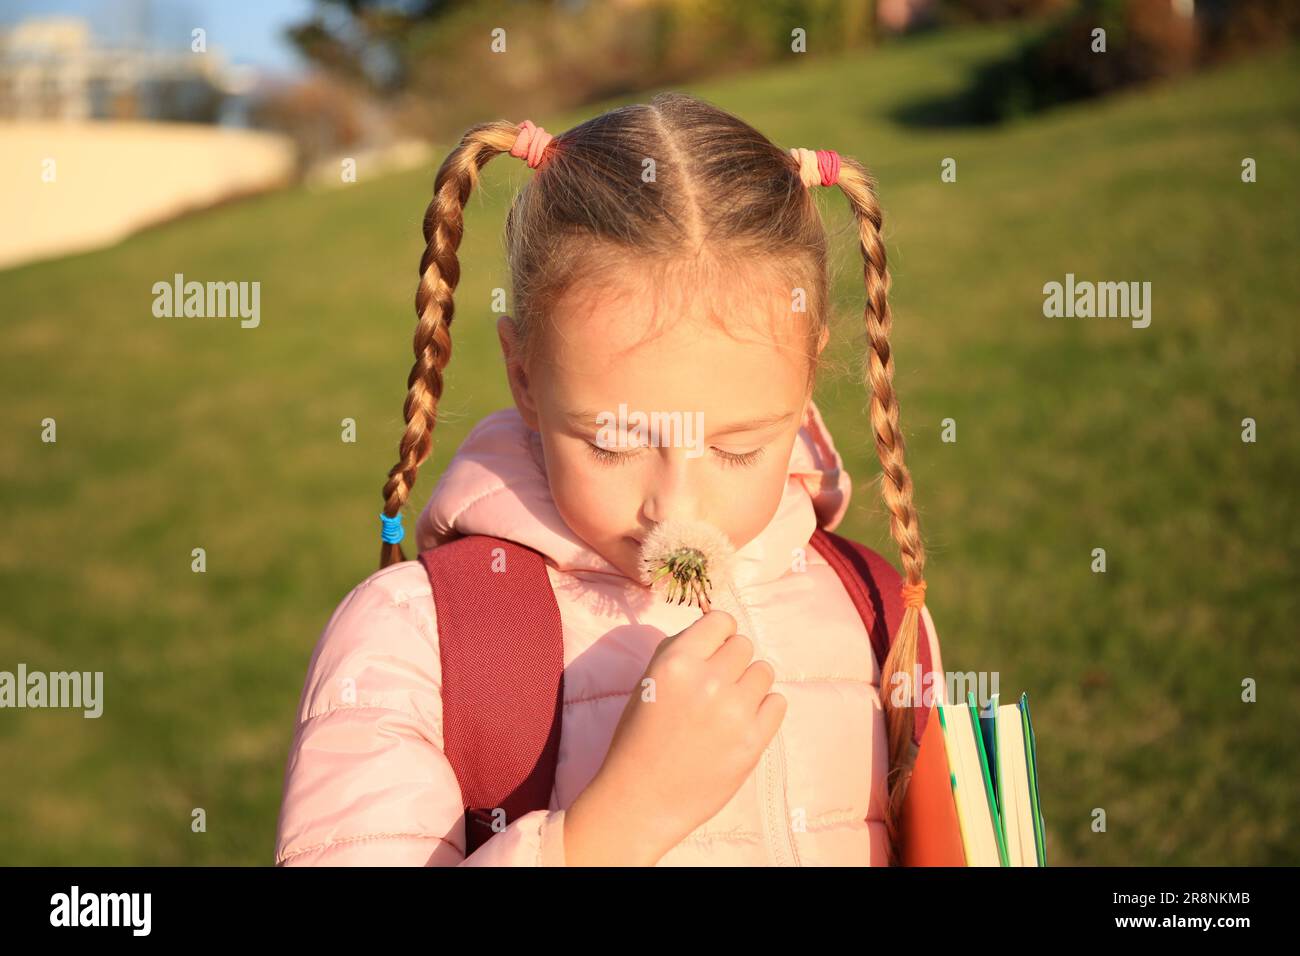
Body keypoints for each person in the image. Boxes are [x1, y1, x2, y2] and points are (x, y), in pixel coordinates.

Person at [274, 92, 946, 866]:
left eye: (735, 449)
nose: (677, 509)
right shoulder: (415, 640)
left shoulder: (876, 613)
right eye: (613, 443)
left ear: (804, 384)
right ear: (525, 378)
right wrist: (612, 830)